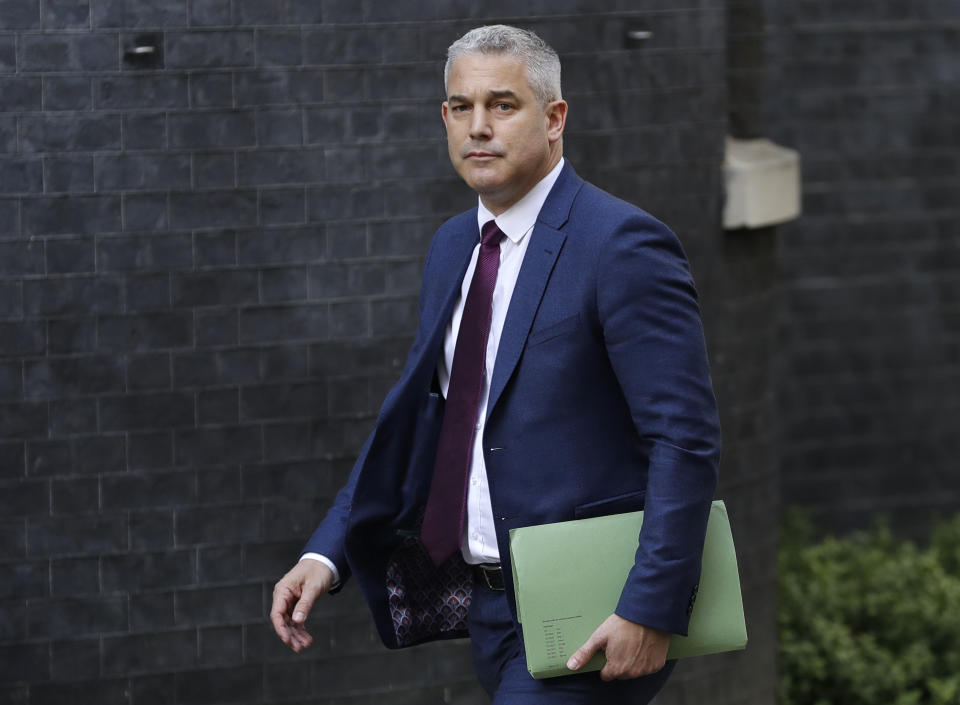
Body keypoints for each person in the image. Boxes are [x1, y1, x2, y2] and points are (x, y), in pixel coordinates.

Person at [271, 24, 720, 704]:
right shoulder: (454, 246)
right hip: (488, 608)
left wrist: (651, 606)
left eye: (503, 105)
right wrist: (324, 550)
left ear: (554, 117)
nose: (478, 126)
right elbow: (424, 417)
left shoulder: (621, 244)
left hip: (596, 606)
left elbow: (683, 438)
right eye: (461, 107)